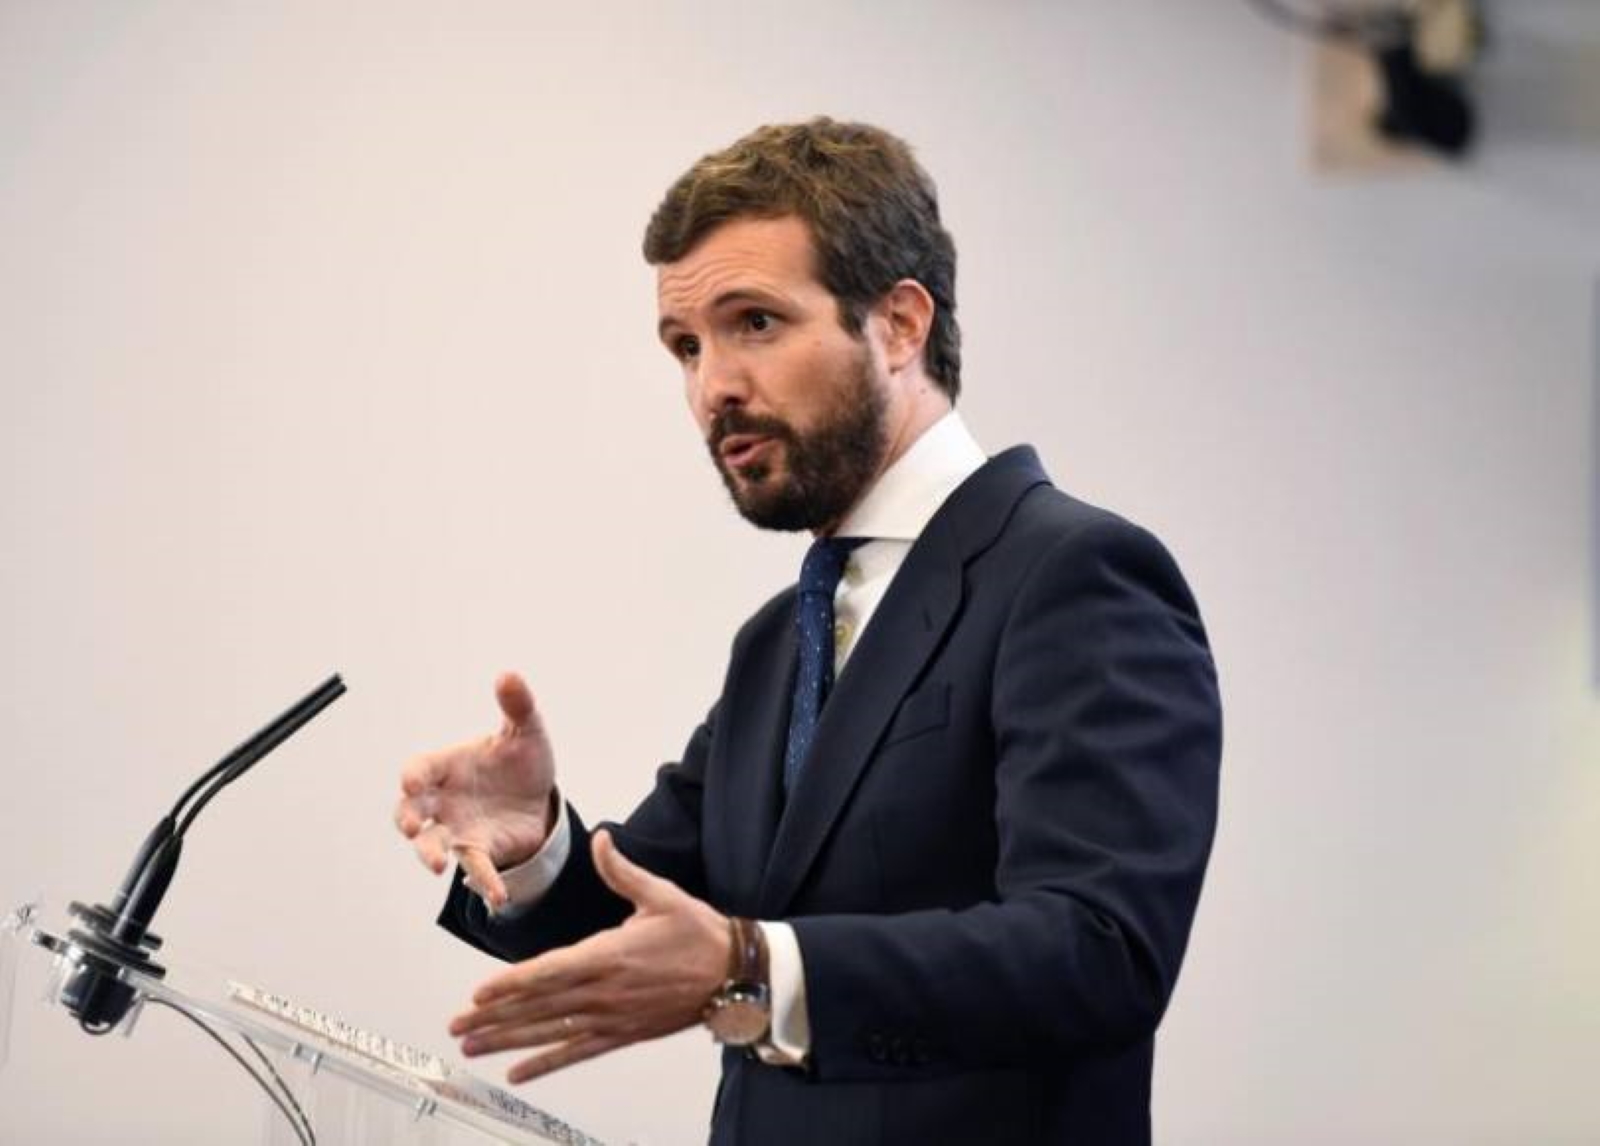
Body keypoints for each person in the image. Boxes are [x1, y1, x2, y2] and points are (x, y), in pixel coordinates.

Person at [395, 118, 1221, 1146]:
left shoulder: (1071, 575)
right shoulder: (781, 639)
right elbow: (662, 918)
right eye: (685, 347)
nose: (712, 388)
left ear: (899, 324)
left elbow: (1099, 950)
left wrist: (755, 965)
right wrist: (537, 849)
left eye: (755, 324)